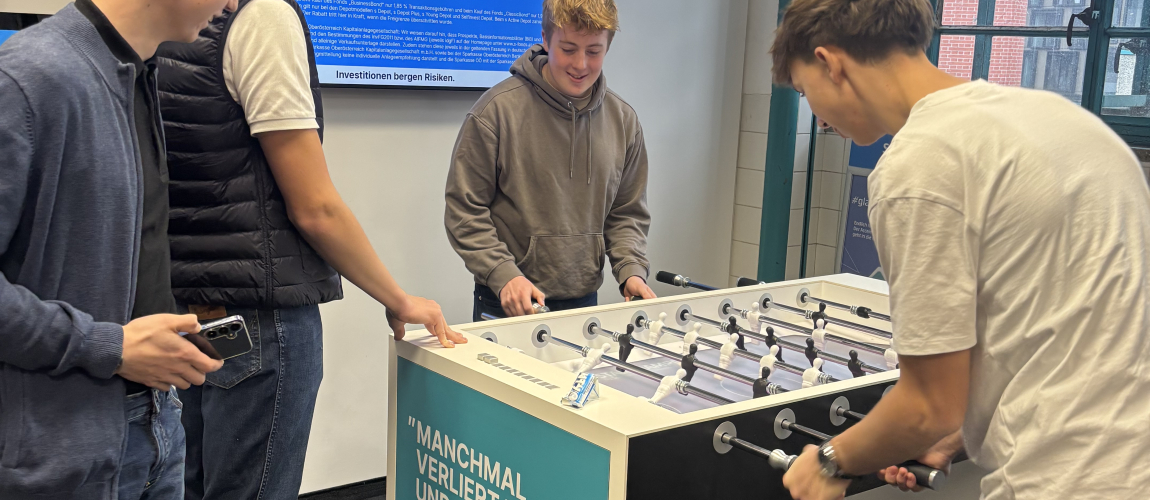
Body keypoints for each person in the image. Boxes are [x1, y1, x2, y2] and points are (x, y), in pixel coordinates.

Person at [770, 1, 1150, 499]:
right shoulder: (1063, 120)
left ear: (830, 63)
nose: (816, 116)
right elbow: (1068, 328)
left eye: (805, 92)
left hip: (1066, 480)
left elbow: (927, 407)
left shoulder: (918, 165)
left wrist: (828, 461)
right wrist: (957, 432)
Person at [153, 0, 465, 497]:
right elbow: (315, 208)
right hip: (259, 321)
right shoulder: (263, 17)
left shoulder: (171, 23)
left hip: (188, 307)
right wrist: (398, 298)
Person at [0, 0, 234, 497]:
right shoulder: (29, 79)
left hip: (156, 424)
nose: (233, 4)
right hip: (62, 455)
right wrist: (109, 347)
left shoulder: (138, 75)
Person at [445, 0, 657, 322]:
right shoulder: (495, 112)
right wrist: (504, 274)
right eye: (568, 49)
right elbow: (464, 210)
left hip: (584, 300)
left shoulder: (624, 121)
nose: (580, 64)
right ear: (545, 39)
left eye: (594, 51)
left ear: (608, 47)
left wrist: (631, 270)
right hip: (508, 299)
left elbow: (626, 213)